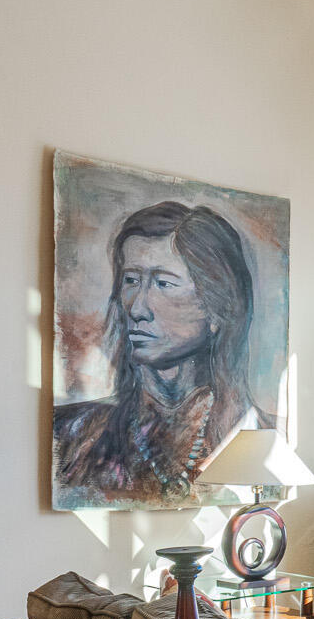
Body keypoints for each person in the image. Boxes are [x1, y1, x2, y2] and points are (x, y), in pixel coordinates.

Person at [54, 201, 266, 503]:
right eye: (131, 281)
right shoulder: (70, 435)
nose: (138, 308)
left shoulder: (263, 439)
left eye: (164, 283)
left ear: (217, 307)